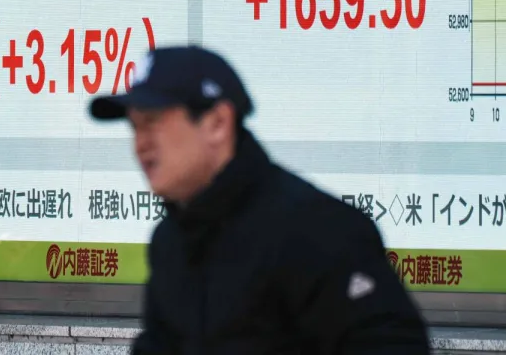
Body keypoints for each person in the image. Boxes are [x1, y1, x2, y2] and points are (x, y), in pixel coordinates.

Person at [89, 45, 430, 354]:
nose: (140, 144)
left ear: (218, 123)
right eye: (135, 127)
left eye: (153, 123)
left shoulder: (317, 229)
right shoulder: (171, 242)